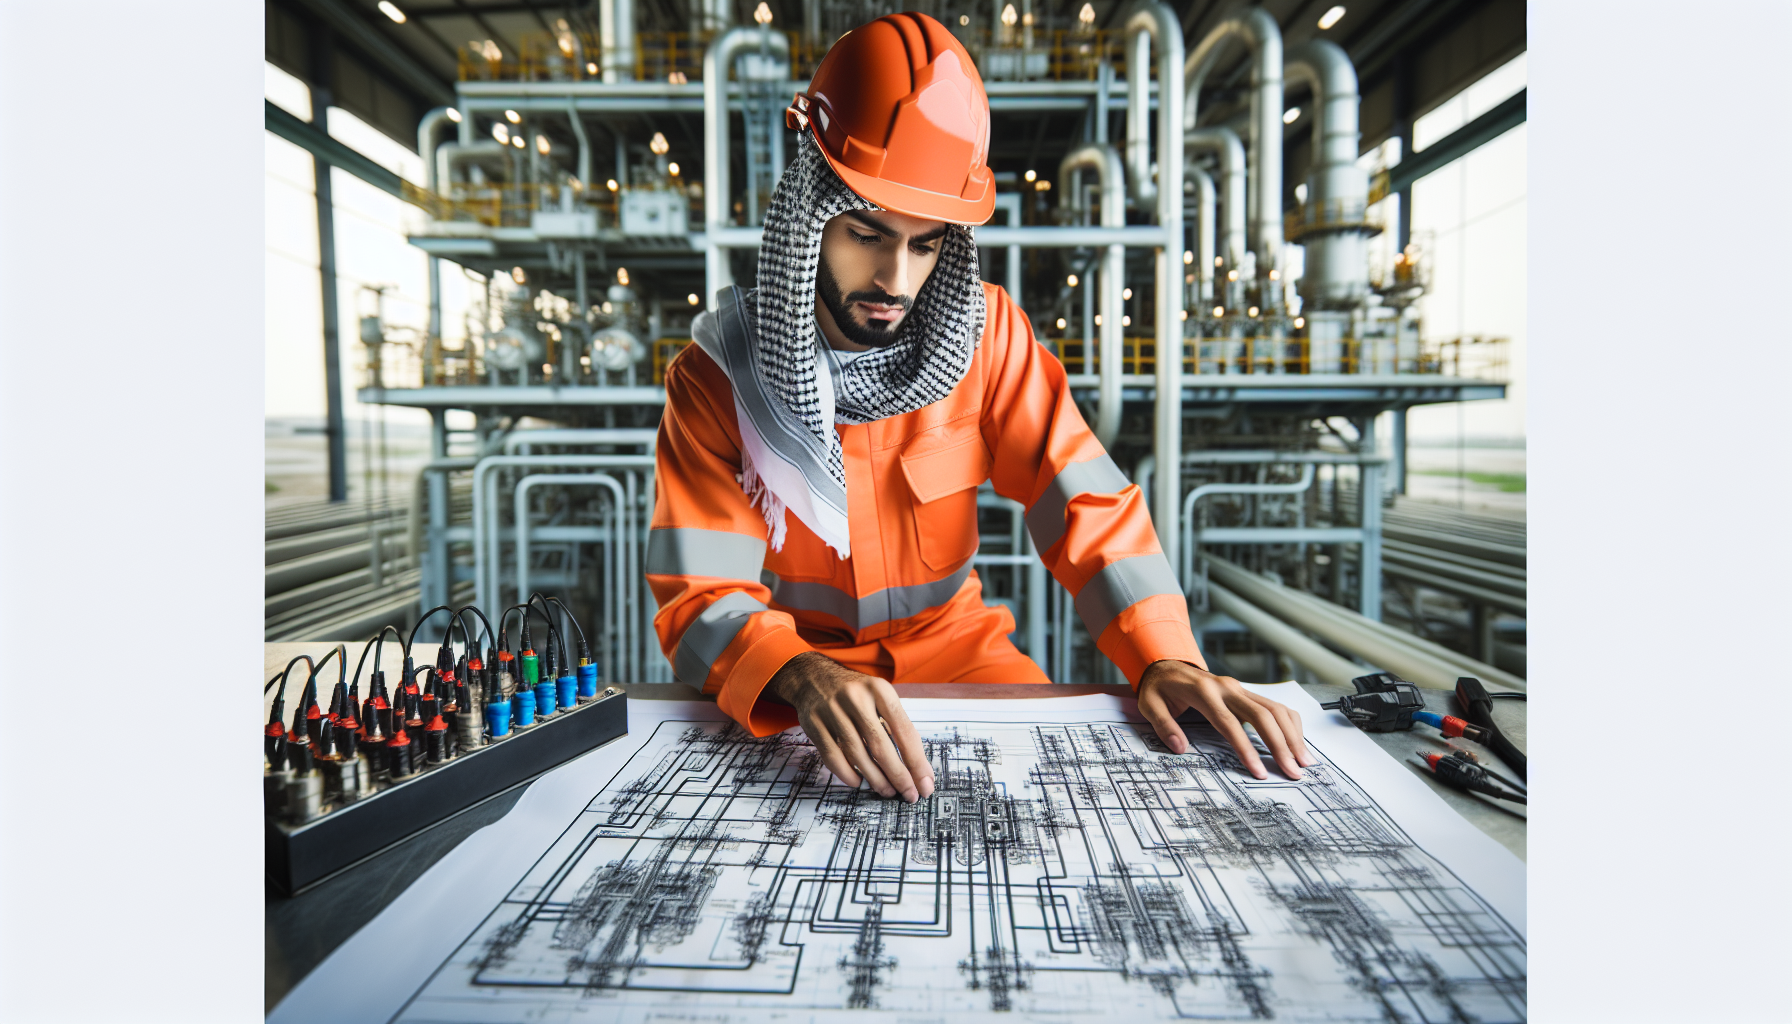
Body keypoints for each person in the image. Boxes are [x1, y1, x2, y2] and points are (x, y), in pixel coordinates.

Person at [648, 12, 1312, 803]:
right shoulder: (717, 378)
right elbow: (701, 594)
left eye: (925, 243)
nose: (895, 278)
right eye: (866, 233)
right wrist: (794, 671)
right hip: (797, 675)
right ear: (808, 215)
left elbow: (1087, 504)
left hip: (960, 651)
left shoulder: (986, 337)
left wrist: (1166, 656)